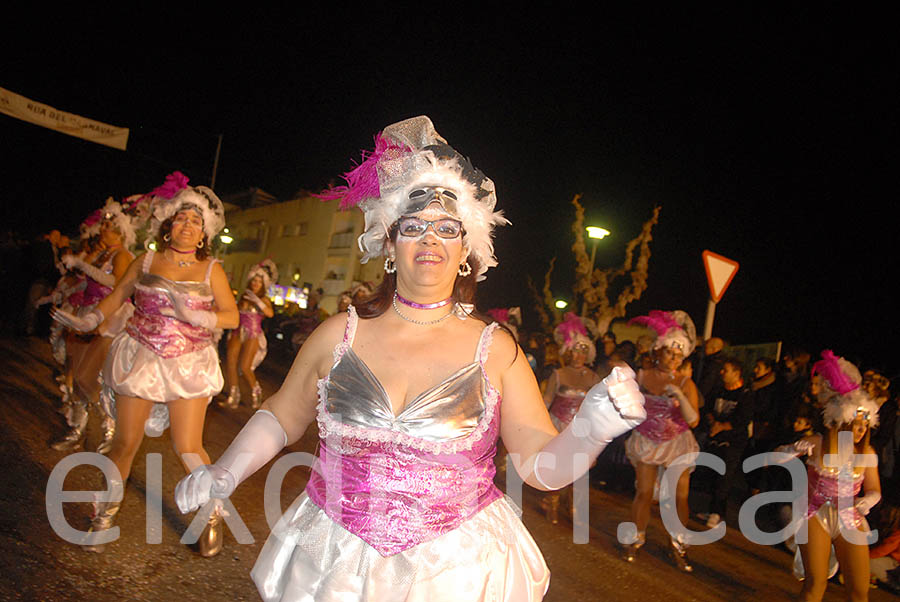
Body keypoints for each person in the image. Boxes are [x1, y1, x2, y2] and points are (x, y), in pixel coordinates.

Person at [174, 116, 646, 601]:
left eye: (447, 228)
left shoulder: (496, 347)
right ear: (389, 242)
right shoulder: (339, 334)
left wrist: (591, 430)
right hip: (334, 562)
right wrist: (224, 471)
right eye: (413, 226)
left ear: (466, 248)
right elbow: (282, 414)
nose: (430, 239)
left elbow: (538, 470)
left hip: (454, 573)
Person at [52, 172, 238, 557]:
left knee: (187, 446)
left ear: (204, 233)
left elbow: (232, 316)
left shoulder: (211, 269)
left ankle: (211, 512)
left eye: (196, 221)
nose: (188, 225)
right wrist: (90, 320)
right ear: (169, 225)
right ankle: (103, 517)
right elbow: (119, 293)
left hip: (188, 364)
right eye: (182, 218)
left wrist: (201, 318)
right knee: (124, 442)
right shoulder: (147, 259)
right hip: (140, 356)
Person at [775, 350, 881, 601]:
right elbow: (776, 459)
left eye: (865, 426)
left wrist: (869, 500)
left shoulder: (867, 452)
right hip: (816, 514)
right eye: (856, 425)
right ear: (842, 421)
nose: (861, 430)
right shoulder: (818, 442)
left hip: (849, 517)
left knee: (858, 590)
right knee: (816, 583)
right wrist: (791, 450)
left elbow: (875, 489)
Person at [50, 198, 137, 454]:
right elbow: (86, 282)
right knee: (76, 377)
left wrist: (83, 264)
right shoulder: (101, 252)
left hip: (109, 318)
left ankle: (111, 428)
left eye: (109, 226)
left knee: (89, 377)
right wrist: (65, 292)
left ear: (120, 231)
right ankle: (76, 429)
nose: (103, 230)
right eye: (104, 225)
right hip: (84, 313)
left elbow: (117, 284)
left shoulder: (123, 255)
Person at [622, 310, 701, 571]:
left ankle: (677, 545)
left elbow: (694, 420)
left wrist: (679, 392)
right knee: (644, 492)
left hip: (677, 441)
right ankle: (636, 539)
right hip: (646, 440)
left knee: (679, 497)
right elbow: (627, 409)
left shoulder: (685, 381)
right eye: (670, 353)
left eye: (679, 355)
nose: (674, 359)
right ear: (658, 351)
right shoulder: (642, 376)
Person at [540, 312, 602, 523]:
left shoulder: (594, 378)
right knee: (559, 468)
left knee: (579, 470)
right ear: (567, 352)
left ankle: (574, 507)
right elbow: (547, 401)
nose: (578, 356)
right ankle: (553, 503)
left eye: (582, 352)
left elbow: (598, 407)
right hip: (559, 426)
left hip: (582, 430)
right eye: (574, 352)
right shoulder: (558, 374)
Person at [696, 357, 754, 530]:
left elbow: (742, 419)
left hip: (733, 442)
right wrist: (713, 423)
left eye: (726, 370)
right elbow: (707, 409)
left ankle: (717, 513)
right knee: (712, 474)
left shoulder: (746, 394)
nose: (722, 373)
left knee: (725, 476)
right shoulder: (718, 391)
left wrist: (721, 427)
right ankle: (712, 509)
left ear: (737, 373)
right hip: (716, 440)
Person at [221, 259, 277, 409]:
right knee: (231, 363)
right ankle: (233, 396)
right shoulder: (244, 296)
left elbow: (270, 314)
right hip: (237, 332)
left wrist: (258, 302)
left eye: (259, 282)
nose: (255, 284)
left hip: (253, 334)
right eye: (254, 281)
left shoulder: (264, 299)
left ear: (263, 284)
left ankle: (256, 393)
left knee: (245, 367)